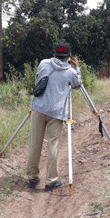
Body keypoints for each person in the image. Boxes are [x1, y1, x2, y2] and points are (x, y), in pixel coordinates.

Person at [27, 42, 82, 191]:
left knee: (35, 143)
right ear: (68, 57)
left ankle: (32, 177)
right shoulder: (70, 71)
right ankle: (51, 181)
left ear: (55, 53)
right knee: (53, 145)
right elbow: (77, 85)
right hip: (55, 113)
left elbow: (38, 80)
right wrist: (77, 67)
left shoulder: (43, 63)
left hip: (38, 108)